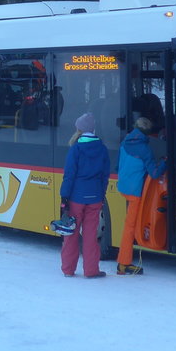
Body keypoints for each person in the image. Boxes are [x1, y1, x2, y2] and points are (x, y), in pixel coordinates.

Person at [58, 112, 112, 278]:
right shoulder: (102, 148)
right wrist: (100, 194)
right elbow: (105, 176)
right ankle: (91, 270)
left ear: (79, 129)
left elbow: (69, 175)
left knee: (71, 235)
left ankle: (68, 269)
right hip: (94, 197)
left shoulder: (76, 149)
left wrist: (64, 197)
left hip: (76, 198)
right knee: (90, 236)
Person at [116, 115, 167, 275]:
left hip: (123, 186)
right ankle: (123, 264)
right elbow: (154, 172)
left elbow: (118, 166)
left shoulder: (124, 142)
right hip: (135, 192)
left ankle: (125, 261)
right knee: (130, 227)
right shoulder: (145, 149)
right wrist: (165, 162)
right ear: (147, 133)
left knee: (130, 224)